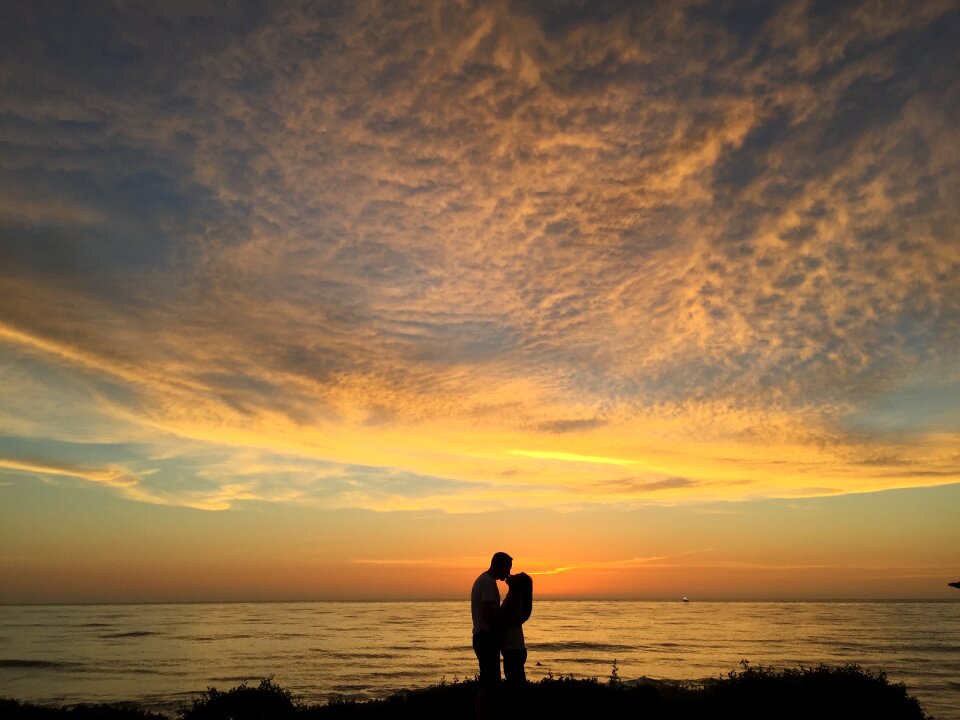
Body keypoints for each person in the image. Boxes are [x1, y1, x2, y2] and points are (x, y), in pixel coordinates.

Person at [471, 551, 512, 718]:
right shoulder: (487, 583)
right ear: (498, 565)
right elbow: (488, 614)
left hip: (483, 637)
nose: (508, 573)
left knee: (489, 681)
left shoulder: (485, 581)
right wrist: (497, 634)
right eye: (507, 568)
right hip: (486, 638)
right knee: (490, 683)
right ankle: (481, 717)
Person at [500, 572, 533, 685]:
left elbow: (509, 620)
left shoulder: (515, 597)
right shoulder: (513, 595)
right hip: (515, 648)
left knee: (515, 685)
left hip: (513, 648)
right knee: (516, 683)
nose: (511, 575)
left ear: (518, 584)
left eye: (515, 576)